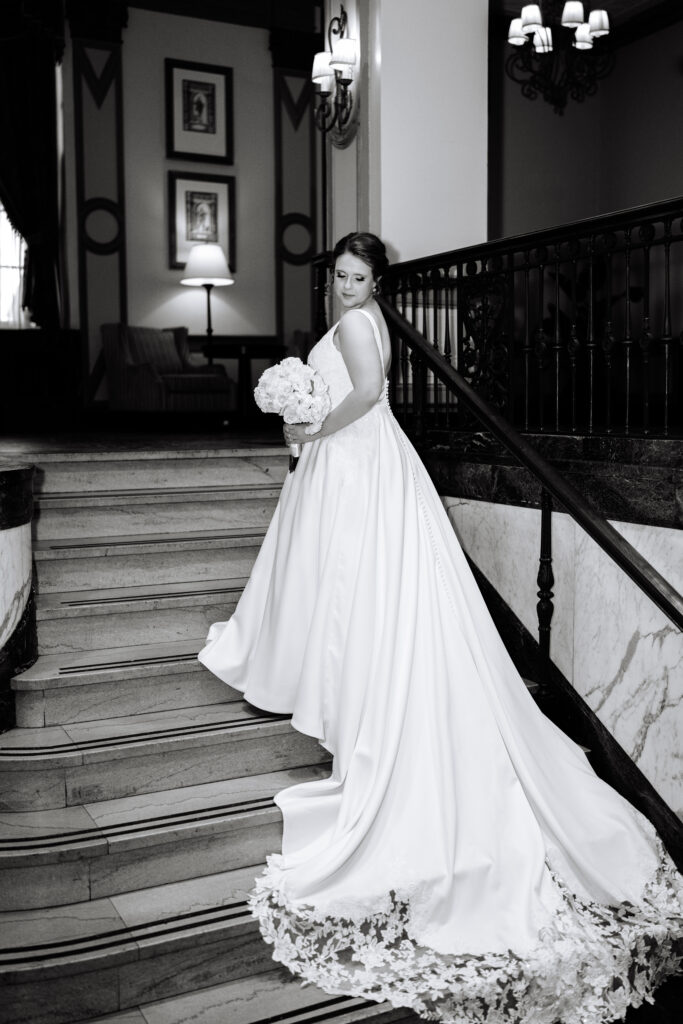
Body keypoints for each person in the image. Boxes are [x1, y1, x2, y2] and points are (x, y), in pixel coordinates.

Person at [198, 232, 681, 1024]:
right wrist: (307, 418)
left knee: (357, 583)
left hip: (356, 457)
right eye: (340, 277)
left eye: (359, 278)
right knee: (357, 584)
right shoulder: (368, 314)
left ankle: (343, 688)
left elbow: (366, 391)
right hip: (365, 461)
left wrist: (312, 427)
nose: (348, 289)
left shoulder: (359, 326)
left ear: (376, 281)